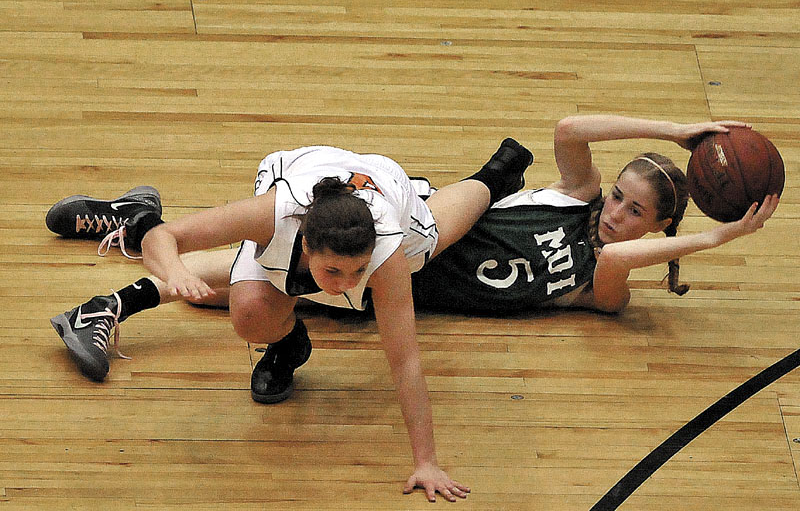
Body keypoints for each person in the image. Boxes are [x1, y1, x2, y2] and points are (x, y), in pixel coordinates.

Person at [46, 140, 534, 503]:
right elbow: (167, 237)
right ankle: (287, 344)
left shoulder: (387, 254)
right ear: (305, 246)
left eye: (356, 271)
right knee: (249, 311)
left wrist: (425, 461)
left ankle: (496, 173)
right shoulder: (273, 217)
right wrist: (173, 271)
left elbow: (405, 361)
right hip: (303, 169)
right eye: (333, 272)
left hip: (383, 185)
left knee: (438, 235)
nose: (345, 285)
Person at [412, 115, 779, 313]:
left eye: (634, 211)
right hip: (418, 221)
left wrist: (716, 237)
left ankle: (498, 175)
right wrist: (672, 131)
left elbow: (617, 257)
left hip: (400, 284)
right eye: (617, 196)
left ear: (659, 226)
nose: (614, 213)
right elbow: (569, 130)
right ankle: (493, 179)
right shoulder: (577, 195)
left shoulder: (602, 289)